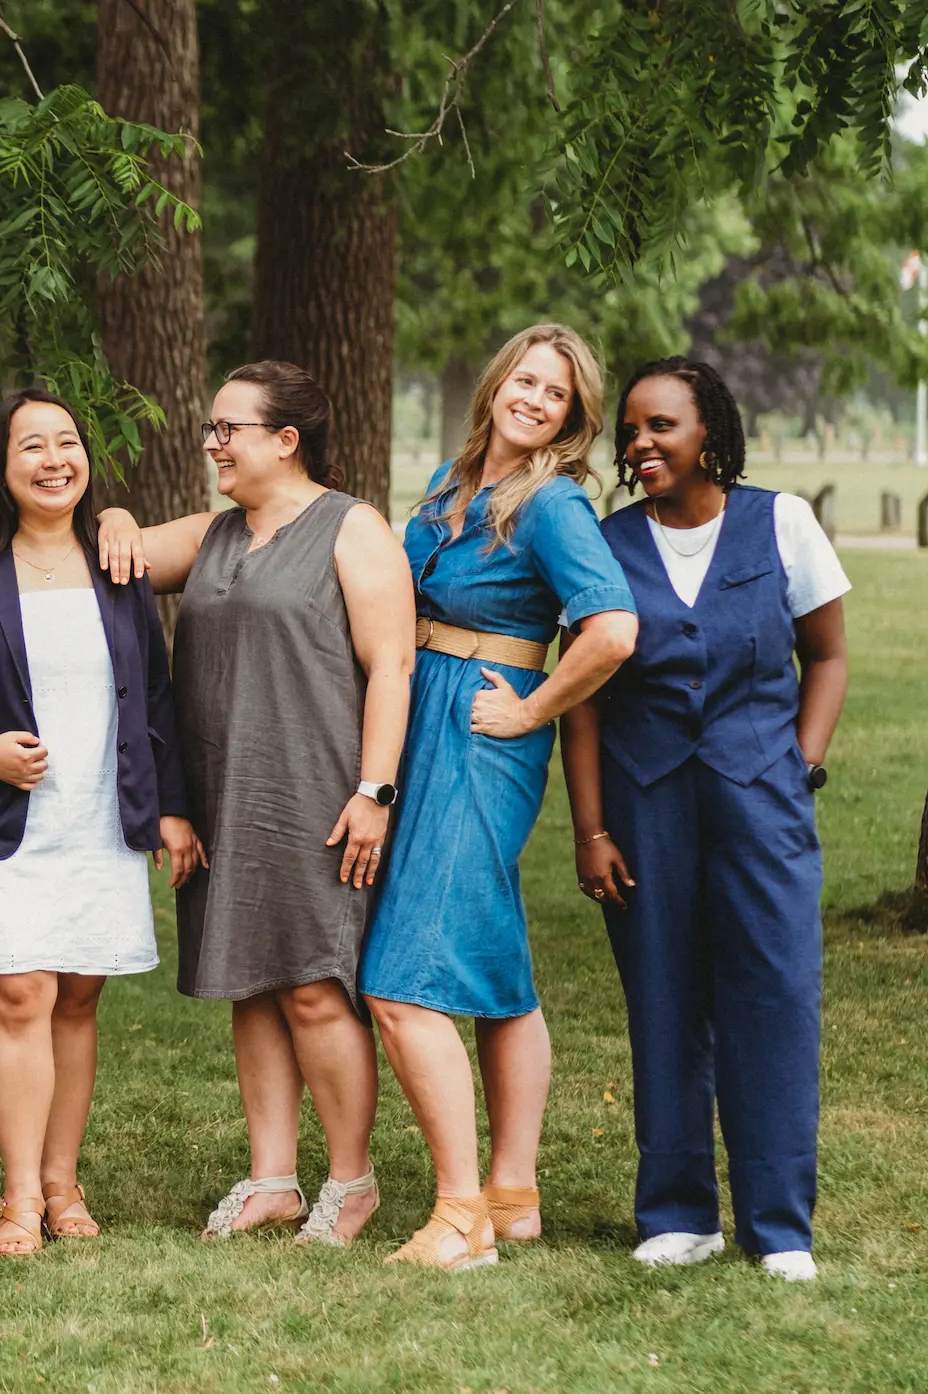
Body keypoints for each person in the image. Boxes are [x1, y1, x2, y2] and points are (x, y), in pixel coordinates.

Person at [95, 361, 416, 1248]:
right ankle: (273, 1178)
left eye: (227, 428)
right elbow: (109, 556)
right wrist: (118, 514)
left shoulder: (353, 530)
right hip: (222, 790)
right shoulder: (215, 532)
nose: (211, 442)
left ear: (286, 440)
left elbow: (393, 667)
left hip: (315, 791)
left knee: (314, 988)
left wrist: (374, 793)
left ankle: (350, 1183)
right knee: (250, 986)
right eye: (210, 427)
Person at [355, 323, 638, 1270]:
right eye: (525, 379)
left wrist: (533, 713)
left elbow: (612, 631)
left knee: (401, 981)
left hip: (482, 733)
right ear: (496, 385)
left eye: (555, 393)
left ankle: (460, 1215)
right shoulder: (449, 483)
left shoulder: (553, 505)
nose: (534, 399)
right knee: (499, 961)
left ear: (572, 418)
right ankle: (514, 1196)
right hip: (421, 720)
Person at [563, 358, 848, 1282]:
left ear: (710, 434)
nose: (641, 444)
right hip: (644, 803)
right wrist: (591, 828)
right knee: (664, 994)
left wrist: (800, 760)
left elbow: (829, 656)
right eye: (632, 432)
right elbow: (585, 700)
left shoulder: (783, 522)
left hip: (762, 802)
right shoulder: (604, 544)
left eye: (663, 427)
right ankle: (679, 1213)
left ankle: (780, 1224)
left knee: (774, 995)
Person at [0, 389, 202, 1256]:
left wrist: (172, 806)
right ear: (2, 466)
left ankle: (64, 1182)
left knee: (76, 997)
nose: (53, 459)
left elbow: (156, 692)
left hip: (102, 819)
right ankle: (18, 1195)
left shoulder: (118, 564)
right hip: (7, 819)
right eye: (32, 445)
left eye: (67, 442)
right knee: (19, 992)